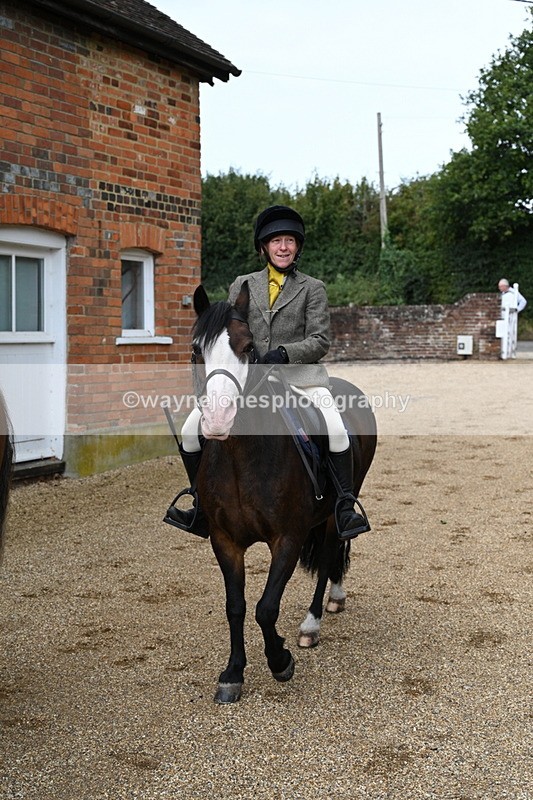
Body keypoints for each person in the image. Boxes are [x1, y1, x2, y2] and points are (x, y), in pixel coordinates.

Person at [165, 205, 370, 541]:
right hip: (249, 378)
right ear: (264, 247)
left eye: (290, 241)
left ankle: (344, 507)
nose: (283, 247)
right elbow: (228, 331)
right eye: (276, 241)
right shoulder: (242, 284)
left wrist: (284, 353)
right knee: (190, 431)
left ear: (298, 247)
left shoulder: (312, 288)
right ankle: (200, 505)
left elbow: (320, 340)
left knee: (335, 427)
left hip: (299, 377)